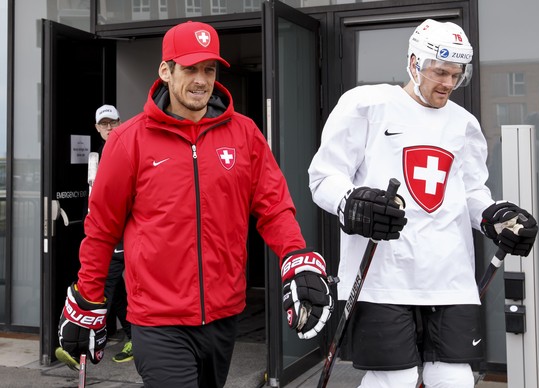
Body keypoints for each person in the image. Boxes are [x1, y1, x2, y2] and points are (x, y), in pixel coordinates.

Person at [55, 21, 333, 387]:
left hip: (224, 314)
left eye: (209, 69)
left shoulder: (245, 133)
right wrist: (88, 297)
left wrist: (296, 258)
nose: (201, 80)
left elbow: (273, 206)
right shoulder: (128, 140)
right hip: (157, 320)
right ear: (166, 71)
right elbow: (102, 229)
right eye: (190, 69)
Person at [308, 19, 538, 387]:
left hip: (449, 274)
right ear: (414, 63)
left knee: (455, 379)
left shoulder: (464, 124)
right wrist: (351, 202)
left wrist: (497, 217)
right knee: (394, 380)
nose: (448, 83)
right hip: (383, 273)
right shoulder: (367, 105)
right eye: (440, 72)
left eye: (456, 75)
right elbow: (322, 177)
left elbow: (473, 192)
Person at [94, 104, 134, 363]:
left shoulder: (128, 149)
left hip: (126, 236)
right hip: (108, 236)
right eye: (104, 124)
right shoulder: (98, 156)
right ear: (97, 128)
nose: (109, 128)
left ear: (120, 122)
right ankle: (133, 338)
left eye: (113, 122)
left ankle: (90, 338)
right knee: (116, 291)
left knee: (107, 288)